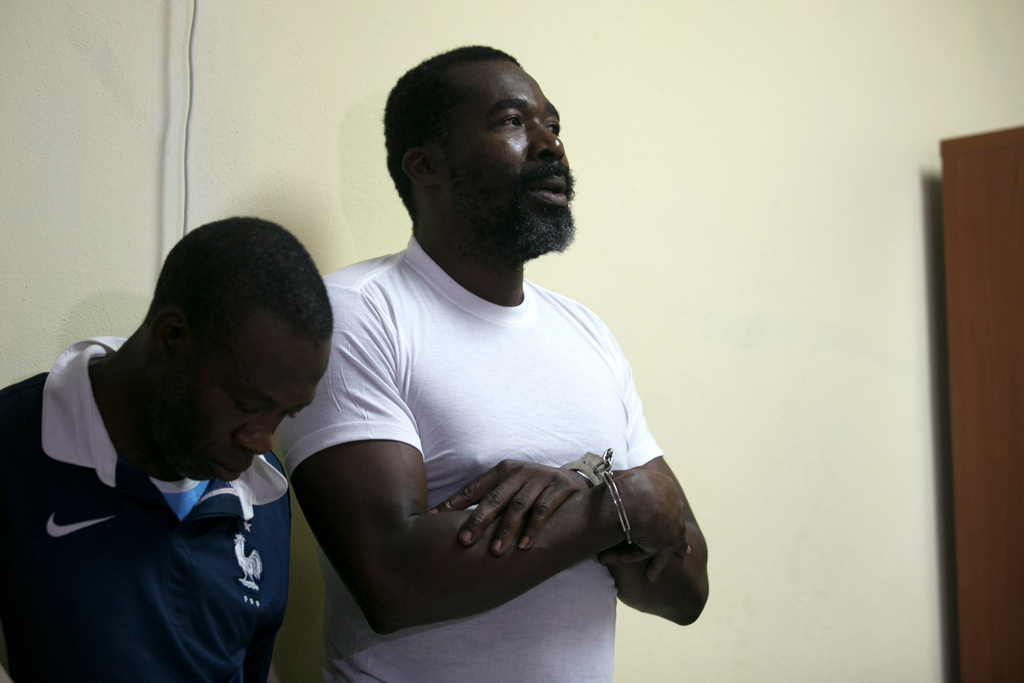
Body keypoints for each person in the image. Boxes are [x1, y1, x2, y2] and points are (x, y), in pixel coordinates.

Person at [279, 46, 709, 682]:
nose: (550, 145)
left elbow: (686, 591)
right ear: (425, 165)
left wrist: (605, 499)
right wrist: (610, 508)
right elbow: (392, 581)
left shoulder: (585, 333)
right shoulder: (355, 315)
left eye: (553, 125)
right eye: (512, 122)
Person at [0, 217, 332, 682]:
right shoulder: (14, 450)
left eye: (284, 414)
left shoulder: (264, 490)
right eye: (245, 404)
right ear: (171, 338)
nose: (261, 440)